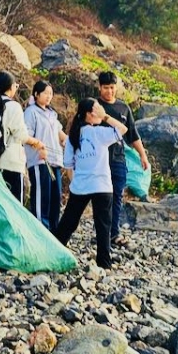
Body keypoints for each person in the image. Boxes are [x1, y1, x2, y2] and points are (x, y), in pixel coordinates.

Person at [56, 98, 128, 269]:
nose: (101, 112)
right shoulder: (99, 133)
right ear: (89, 114)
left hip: (81, 186)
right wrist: (106, 117)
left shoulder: (74, 134)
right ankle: (104, 263)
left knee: (68, 223)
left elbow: (68, 165)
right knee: (103, 226)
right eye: (98, 109)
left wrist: (76, 182)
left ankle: (55, 251)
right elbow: (123, 129)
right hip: (102, 186)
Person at [96, 71, 150, 248]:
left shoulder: (123, 108)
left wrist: (143, 156)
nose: (110, 92)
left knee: (118, 195)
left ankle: (114, 233)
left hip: (119, 158)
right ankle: (102, 233)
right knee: (102, 197)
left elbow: (133, 135)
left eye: (112, 88)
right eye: (106, 88)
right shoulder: (95, 106)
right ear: (99, 87)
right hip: (98, 159)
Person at [0, 71, 47, 203]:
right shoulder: (13, 106)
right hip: (11, 163)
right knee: (14, 206)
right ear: (11, 87)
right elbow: (22, 135)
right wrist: (37, 143)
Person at [25, 81, 66, 231]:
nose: (49, 96)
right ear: (36, 94)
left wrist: (68, 141)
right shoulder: (31, 112)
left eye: (51, 93)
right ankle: (40, 231)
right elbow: (26, 135)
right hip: (39, 160)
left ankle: (54, 233)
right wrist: (39, 147)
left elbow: (59, 132)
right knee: (42, 198)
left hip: (55, 160)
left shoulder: (52, 113)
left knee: (55, 199)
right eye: (45, 93)